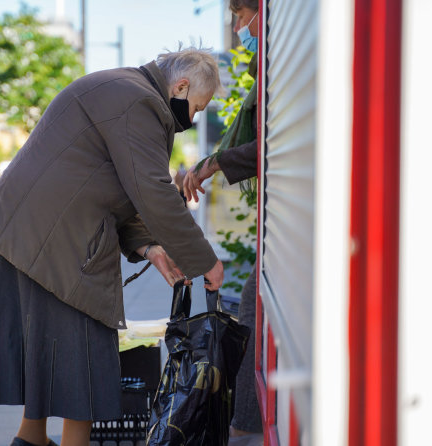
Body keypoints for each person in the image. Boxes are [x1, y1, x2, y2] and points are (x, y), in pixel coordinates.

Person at [0, 47, 225, 446]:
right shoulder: (140, 102)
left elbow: (115, 184)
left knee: (44, 349)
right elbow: (152, 191)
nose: (192, 119)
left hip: (27, 232)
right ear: (180, 86)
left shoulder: (120, 86)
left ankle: (31, 438)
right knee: (85, 361)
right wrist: (204, 260)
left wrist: (150, 248)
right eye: (196, 107)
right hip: (58, 240)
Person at [183, 0, 263, 441]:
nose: (237, 27)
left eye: (240, 16)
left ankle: (240, 429)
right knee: (251, 303)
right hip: (275, 229)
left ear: (260, 16)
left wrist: (213, 163)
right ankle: (240, 427)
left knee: (252, 304)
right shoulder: (265, 71)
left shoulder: (273, 72)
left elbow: (267, 145)